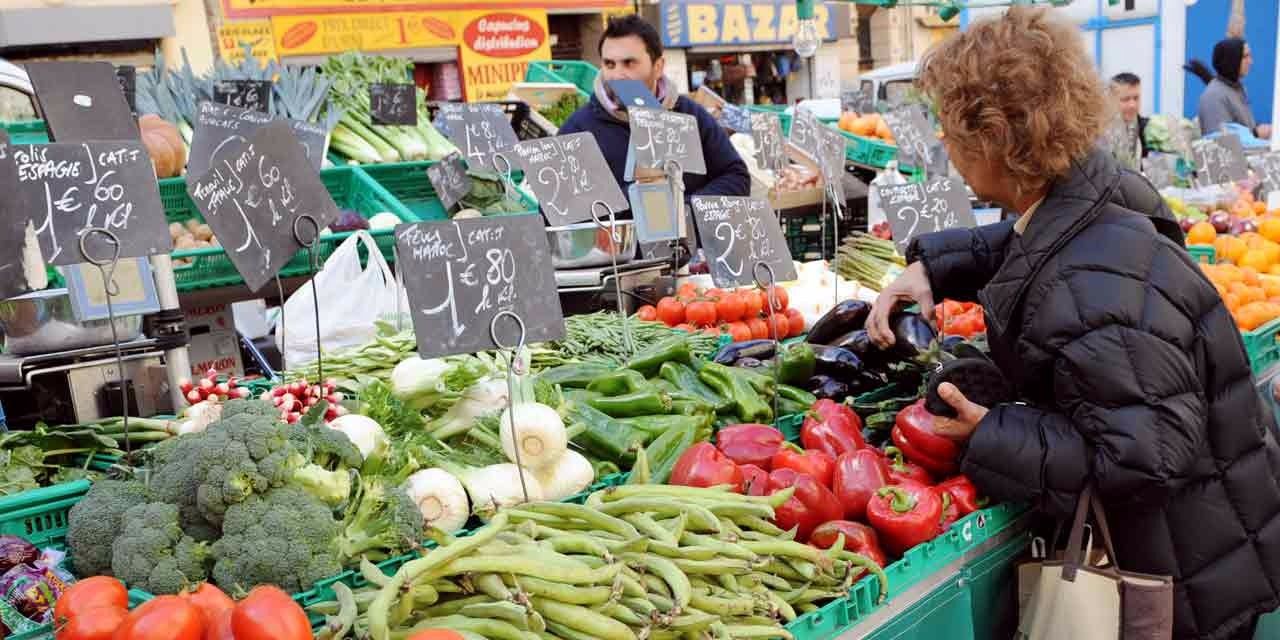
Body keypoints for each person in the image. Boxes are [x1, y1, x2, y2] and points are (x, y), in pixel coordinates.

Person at [866, 8, 1280, 640]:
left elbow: (1143, 461)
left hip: (1183, 586)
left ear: (995, 138)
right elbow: (1038, 241)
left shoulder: (1086, 288)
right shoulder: (1099, 189)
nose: (943, 141)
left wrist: (992, 433)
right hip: (1217, 533)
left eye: (950, 126)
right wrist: (935, 268)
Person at [559, 15, 750, 209]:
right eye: (609, 64)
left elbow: (736, 176)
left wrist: (683, 208)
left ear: (658, 67)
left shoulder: (689, 114)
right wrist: (638, 198)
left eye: (629, 63)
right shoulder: (578, 129)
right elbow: (560, 207)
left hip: (689, 226)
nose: (617, 75)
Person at [1186, 38, 1273, 139]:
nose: (1251, 62)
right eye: (1245, 57)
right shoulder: (1213, 97)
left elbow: (1242, 125)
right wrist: (1256, 134)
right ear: (1232, 60)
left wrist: (1259, 129)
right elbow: (1219, 142)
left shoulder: (1238, 89)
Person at [1101, 72, 1149, 170]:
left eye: (1136, 98)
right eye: (1125, 99)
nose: (1132, 105)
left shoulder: (1139, 126)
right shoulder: (1101, 134)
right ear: (1111, 100)